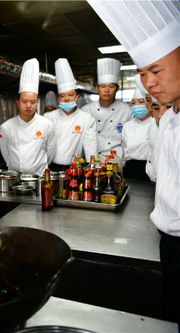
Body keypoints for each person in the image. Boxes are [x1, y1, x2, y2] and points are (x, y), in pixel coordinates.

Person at [88, 0, 180, 325]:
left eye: (156, 70)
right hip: (169, 244)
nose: (148, 83)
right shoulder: (169, 119)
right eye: (142, 73)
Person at [0, 58, 56, 176]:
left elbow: (50, 153)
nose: (29, 106)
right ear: (17, 102)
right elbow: (6, 154)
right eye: (24, 101)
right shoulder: (6, 127)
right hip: (15, 178)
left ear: (38, 102)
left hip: (39, 177)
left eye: (33, 102)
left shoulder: (47, 124)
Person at [44, 58, 97, 172]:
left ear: (77, 97)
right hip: (50, 168)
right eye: (62, 95)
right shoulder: (49, 117)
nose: (66, 98)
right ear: (58, 99)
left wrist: (91, 167)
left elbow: (90, 144)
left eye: (70, 94)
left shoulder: (86, 118)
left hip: (75, 169)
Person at [81, 58, 132, 159]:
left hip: (118, 160)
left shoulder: (126, 110)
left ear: (117, 89)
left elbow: (130, 138)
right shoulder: (86, 110)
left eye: (111, 86)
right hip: (93, 159)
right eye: (103, 86)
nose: (107, 90)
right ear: (97, 89)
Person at [121, 87, 154, 179]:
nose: (136, 106)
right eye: (133, 103)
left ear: (150, 103)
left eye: (141, 102)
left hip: (150, 167)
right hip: (129, 168)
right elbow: (124, 148)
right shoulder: (127, 126)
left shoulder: (155, 122)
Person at [146, 99, 172, 182]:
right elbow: (150, 156)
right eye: (156, 108)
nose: (161, 115)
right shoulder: (153, 125)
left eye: (169, 107)